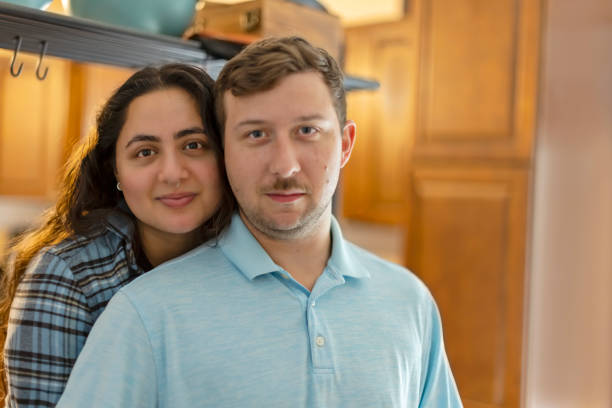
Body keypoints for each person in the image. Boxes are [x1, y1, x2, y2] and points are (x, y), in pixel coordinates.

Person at [57, 36, 462, 407]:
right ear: (224, 152)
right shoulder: (144, 316)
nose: (284, 166)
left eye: (307, 130)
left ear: (344, 144)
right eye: (256, 135)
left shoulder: (411, 304)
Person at [0, 63, 234, 408]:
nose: (172, 173)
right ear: (116, 172)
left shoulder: (250, 258)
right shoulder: (66, 276)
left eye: (194, 145)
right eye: (145, 152)